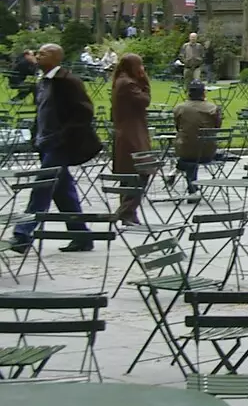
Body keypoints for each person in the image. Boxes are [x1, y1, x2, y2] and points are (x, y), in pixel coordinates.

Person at [8, 44, 100, 253]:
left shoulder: (68, 82)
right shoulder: (43, 82)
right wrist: (36, 137)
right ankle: (81, 235)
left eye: (43, 53)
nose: (38, 56)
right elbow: (42, 111)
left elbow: (84, 113)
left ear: (57, 58)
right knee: (63, 190)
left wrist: (62, 137)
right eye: (38, 53)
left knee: (42, 187)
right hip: (45, 143)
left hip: (59, 145)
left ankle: (23, 234)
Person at [110, 53, 152, 224]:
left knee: (132, 173)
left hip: (129, 132)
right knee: (140, 171)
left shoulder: (122, 81)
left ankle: (128, 212)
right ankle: (125, 211)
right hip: (132, 135)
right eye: (140, 65)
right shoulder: (128, 84)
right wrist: (145, 82)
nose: (142, 69)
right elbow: (145, 100)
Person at [172, 82, 222, 201]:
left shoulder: (179, 108)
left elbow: (178, 127)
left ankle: (188, 184)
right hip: (208, 151)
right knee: (196, 149)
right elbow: (217, 127)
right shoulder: (213, 108)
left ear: (188, 93)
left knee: (189, 153)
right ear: (203, 93)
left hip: (185, 150)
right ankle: (191, 188)